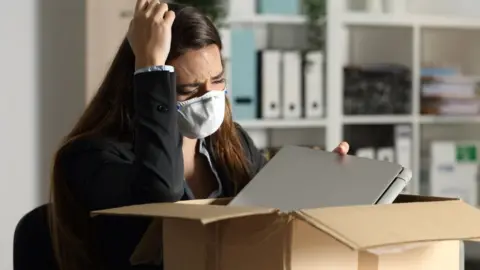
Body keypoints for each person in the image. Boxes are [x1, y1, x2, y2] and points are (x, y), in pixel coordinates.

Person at [48, 1, 350, 270]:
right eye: (188, 90)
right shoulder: (87, 157)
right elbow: (159, 195)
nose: (209, 99)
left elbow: (270, 219)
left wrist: (321, 183)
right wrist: (151, 66)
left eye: (217, 80)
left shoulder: (232, 144)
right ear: (145, 87)